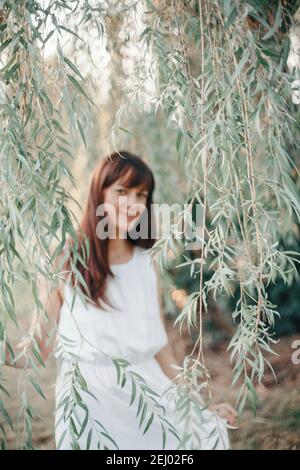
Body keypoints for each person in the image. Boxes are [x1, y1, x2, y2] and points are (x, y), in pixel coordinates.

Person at [2, 150, 237, 450]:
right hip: (91, 402)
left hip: (147, 392)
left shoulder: (145, 262)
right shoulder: (64, 262)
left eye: (141, 195)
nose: (133, 204)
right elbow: (37, 350)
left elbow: (160, 347)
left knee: (207, 436)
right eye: (122, 192)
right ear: (99, 194)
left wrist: (198, 407)